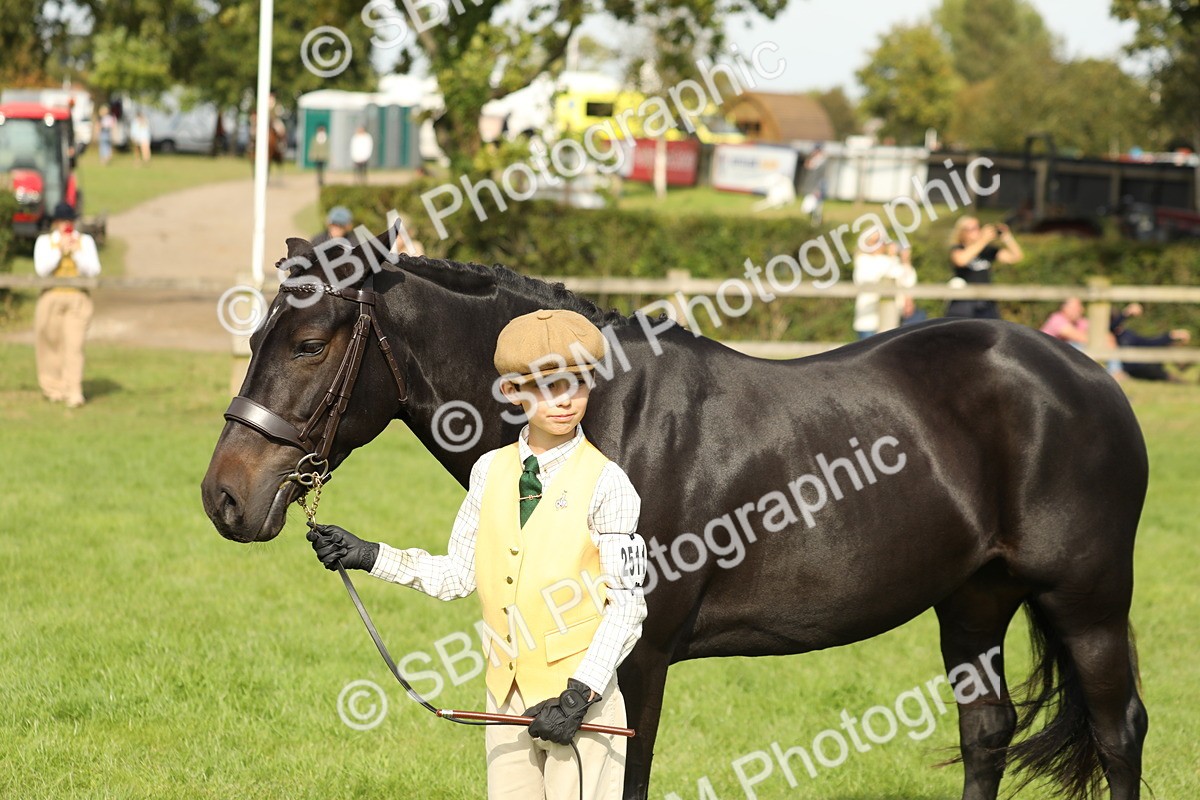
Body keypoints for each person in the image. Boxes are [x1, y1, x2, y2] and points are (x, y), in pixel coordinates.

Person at [307, 309, 647, 800]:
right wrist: (368, 555)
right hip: (503, 698)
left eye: (577, 383)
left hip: (580, 705)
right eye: (545, 385)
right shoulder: (488, 471)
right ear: (512, 392)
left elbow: (628, 605)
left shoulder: (609, 483)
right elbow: (458, 574)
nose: (564, 400)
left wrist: (580, 694)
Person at [33, 202, 102, 408]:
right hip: (51, 296)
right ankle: (53, 388)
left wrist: (76, 252)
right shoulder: (45, 242)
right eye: (63, 221)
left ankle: (74, 390)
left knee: (74, 344)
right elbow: (42, 270)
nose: (66, 225)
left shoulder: (85, 241)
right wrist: (60, 251)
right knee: (50, 343)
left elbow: (93, 270)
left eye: (70, 220)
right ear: (56, 223)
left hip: (77, 297)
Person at [945, 216, 1023, 319]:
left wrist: (1007, 237)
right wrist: (983, 240)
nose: (977, 231)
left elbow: (1016, 257)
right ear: (962, 232)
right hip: (963, 301)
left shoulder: (987, 250)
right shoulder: (958, 248)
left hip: (986, 300)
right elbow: (961, 260)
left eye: (978, 227)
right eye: (972, 228)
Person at [852, 230, 915, 339]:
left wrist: (905, 261)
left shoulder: (891, 260)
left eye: (882, 241)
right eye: (876, 241)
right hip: (868, 321)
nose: (881, 244)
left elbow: (908, 280)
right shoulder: (862, 260)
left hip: (891, 320)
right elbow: (873, 276)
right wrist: (892, 257)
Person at [1110, 302, 1192, 382]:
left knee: (1164, 350)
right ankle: (1181, 366)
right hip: (1136, 368)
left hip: (1142, 364)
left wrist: (1171, 335)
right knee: (1161, 373)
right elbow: (1112, 326)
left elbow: (1148, 342)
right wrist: (1126, 313)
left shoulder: (1126, 333)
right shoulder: (1112, 334)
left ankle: (1182, 363)